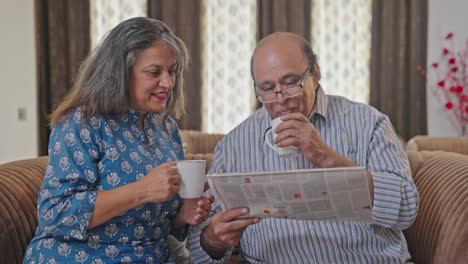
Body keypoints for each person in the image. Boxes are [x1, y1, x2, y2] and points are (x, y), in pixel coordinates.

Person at [188, 32, 419, 263]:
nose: (280, 99)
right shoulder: (233, 146)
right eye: (267, 88)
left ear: (315, 74)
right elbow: (199, 249)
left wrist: (327, 158)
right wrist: (213, 240)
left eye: (290, 83)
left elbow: (406, 209)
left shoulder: (369, 123)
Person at [24, 17, 214, 264]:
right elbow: (55, 214)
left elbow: (161, 225)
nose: (168, 83)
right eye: (154, 72)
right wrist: (142, 190)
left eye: (172, 71)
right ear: (120, 73)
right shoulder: (82, 123)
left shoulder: (167, 129)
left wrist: (184, 216)